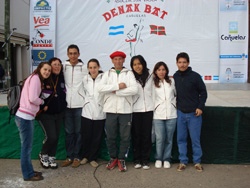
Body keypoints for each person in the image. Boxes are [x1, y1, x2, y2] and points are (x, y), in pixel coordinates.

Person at [98, 51, 138, 172]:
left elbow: (134, 90)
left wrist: (118, 92)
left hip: (125, 111)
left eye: (120, 59)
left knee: (125, 137)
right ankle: (113, 157)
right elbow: (100, 88)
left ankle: (121, 158)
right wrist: (117, 86)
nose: (118, 61)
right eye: (115, 59)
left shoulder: (129, 73)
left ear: (124, 60)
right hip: (110, 110)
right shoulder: (107, 74)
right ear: (112, 61)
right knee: (111, 136)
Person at [15, 61, 52, 181]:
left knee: (27, 147)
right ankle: (28, 175)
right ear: (40, 68)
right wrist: (41, 102)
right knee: (26, 148)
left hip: (26, 116)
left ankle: (29, 171)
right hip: (25, 117)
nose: (47, 72)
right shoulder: (36, 79)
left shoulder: (34, 78)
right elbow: (32, 98)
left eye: (49, 70)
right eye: (45, 69)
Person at [173, 52, 207, 172]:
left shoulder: (195, 76)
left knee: (195, 139)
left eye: (184, 62)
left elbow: (203, 92)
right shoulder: (175, 76)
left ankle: (197, 162)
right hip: (181, 113)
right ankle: (183, 161)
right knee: (181, 139)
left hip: (194, 114)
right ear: (176, 63)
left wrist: (200, 107)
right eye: (180, 62)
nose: (182, 65)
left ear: (188, 63)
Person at [61, 44, 88, 168]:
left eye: (75, 53)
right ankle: (69, 156)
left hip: (79, 105)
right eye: (70, 53)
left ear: (79, 54)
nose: (73, 55)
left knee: (79, 132)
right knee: (69, 133)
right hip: (66, 106)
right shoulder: (63, 67)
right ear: (67, 54)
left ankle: (77, 156)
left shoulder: (84, 68)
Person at [37, 57, 67, 169]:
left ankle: (51, 156)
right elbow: (35, 96)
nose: (57, 67)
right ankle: (43, 154)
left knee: (56, 136)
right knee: (51, 136)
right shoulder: (43, 79)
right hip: (46, 114)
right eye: (54, 64)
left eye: (59, 64)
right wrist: (42, 106)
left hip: (59, 113)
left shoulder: (62, 78)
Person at [78, 59, 106, 168]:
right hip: (87, 112)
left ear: (98, 67)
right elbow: (81, 91)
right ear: (88, 68)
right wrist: (85, 102)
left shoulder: (104, 78)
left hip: (100, 112)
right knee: (86, 136)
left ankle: (93, 158)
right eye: (90, 67)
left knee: (97, 137)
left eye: (95, 67)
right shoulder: (85, 79)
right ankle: (85, 156)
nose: (93, 70)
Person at [130, 55, 153, 170]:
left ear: (143, 64)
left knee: (146, 136)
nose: (137, 66)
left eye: (139, 64)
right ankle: (137, 159)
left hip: (149, 109)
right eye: (134, 64)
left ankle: (145, 160)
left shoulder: (151, 75)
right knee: (137, 136)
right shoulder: (130, 77)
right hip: (135, 110)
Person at [152, 62, 177, 169]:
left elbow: (175, 94)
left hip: (171, 114)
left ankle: (166, 158)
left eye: (163, 69)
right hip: (158, 115)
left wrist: (173, 105)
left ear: (166, 71)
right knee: (160, 138)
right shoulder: (152, 83)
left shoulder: (171, 81)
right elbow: (151, 98)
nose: (161, 72)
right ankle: (158, 158)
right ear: (155, 71)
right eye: (159, 70)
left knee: (169, 139)